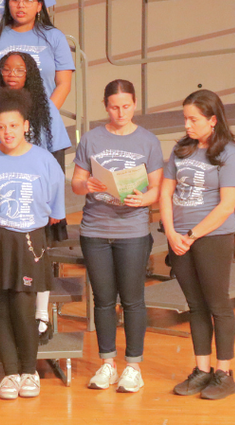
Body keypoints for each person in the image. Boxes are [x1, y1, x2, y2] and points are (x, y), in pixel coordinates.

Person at [0, 89, 64, 400]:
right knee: (0, 308)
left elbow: (55, 212)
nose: (7, 132)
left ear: (25, 125)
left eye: (13, 125)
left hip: (28, 240)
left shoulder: (45, 161)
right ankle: (10, 373)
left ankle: (29, 370)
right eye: (1, 127)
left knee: (24, 308)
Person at [70, 80, 163, 393]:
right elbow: (77, 182)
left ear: (134, 104)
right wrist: (89, 186)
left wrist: (143, 199)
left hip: (132, 231)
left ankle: (133, 367)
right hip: (95, 229)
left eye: (126, 106)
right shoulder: (92, 138)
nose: (120, 112)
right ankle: (107, 363)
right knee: (103, 299)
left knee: (133, 299)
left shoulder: (148, 141)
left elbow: (157, 188)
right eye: (114, 106)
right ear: (105, 106)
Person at [160, 89, 235, 400]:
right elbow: (165, 194)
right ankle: (202, 370)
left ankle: (224, 373)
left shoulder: (230, 154)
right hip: (178, 237)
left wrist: (192, 235)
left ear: (212, 120)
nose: (187, 125)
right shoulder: (181, 150)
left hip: (211, 237)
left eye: (193, 119)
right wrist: (170, 233)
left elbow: (227, 206)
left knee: (217, 305)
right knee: (195, 306)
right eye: (185, 119)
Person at [0, 53, 71, 339]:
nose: (13, 73)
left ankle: (41, 316)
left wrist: (54, 201)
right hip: (4, 194)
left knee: (40, 261)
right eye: (7, 69)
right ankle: (9, 324)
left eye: (20, 69)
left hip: (37, 196)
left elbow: (56, 155)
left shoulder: (45, 107)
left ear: (30, 72)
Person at [0, 0, 74, 109]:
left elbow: (64, 84)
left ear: (39, 6)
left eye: (28, 0)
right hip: (3, 119)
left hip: (43, 118)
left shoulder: (55, 37)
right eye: (15, 0)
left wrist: (47, 115)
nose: (21, 5)